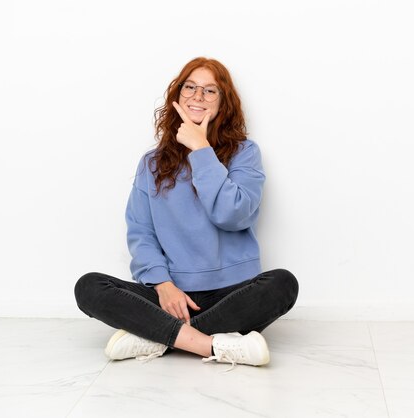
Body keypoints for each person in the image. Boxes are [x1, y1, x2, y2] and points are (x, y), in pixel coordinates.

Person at [74, 57, 299, 369]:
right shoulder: (152, 164)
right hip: (170, 298)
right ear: (177, 96)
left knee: (283, 284)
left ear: (224, 104)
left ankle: (158, 337)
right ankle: (212, 344)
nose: (197, 96)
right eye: (190, 88)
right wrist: (164, 286)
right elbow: (142, 232)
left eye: (209, 91)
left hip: (230, 296)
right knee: (89, 286)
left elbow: (234, 215)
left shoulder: (245, 154)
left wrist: (201, 150)